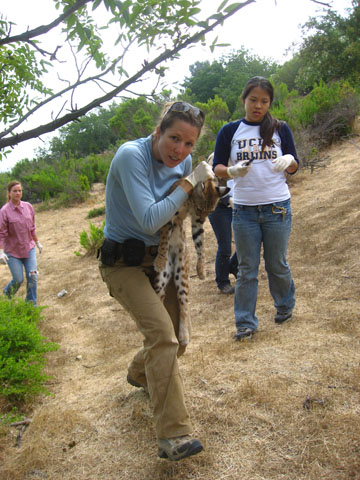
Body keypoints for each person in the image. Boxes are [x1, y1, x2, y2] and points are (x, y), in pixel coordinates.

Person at [98, 101, 214, 461]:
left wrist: (210, 180)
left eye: (189, 145)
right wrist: (188, 180)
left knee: (176, 337)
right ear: (159, 130)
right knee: (163, 337)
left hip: (161, 262)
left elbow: (193, 204)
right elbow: (150, 219)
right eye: (174, 138)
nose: (179, 151)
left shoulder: (179, 161)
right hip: (123, 265)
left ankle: (139, 373)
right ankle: (173, 436)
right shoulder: (130, 156)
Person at [212, 76, 299, 341]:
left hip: (277, 207)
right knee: (247, 269)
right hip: (244, 210)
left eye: (264, 101)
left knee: (277, 264)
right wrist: (231, 170)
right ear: (244, 100)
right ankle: (245, 323)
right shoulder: (230, 131)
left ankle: (285, 305)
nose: (258, 106)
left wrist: (289, 160)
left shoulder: (280, 128)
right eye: (253, 100)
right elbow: (217, 167)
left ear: (270, 102)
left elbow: (295, 167)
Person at [0, 181, 43, 307]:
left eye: (20, 190)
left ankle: (31, 305)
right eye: (15, 191)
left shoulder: (28, 207)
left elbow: (32, 228)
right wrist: (1, 251)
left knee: (33, 277)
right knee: (18, 279)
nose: (18, 193)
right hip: (13, 252)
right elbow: (1, 233)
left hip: (29, 248)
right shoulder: (4, 211)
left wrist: (37, 242)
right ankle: (7, 294)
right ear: (9, 193)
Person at [207, 153, 238, 294]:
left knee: (247, 241)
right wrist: (227, 199)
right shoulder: (216, 158)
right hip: (218, 208)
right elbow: (211, 185)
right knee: (225, 246)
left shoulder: (238, 155)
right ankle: (222, 282)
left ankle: (233, 265)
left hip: (237, 205)